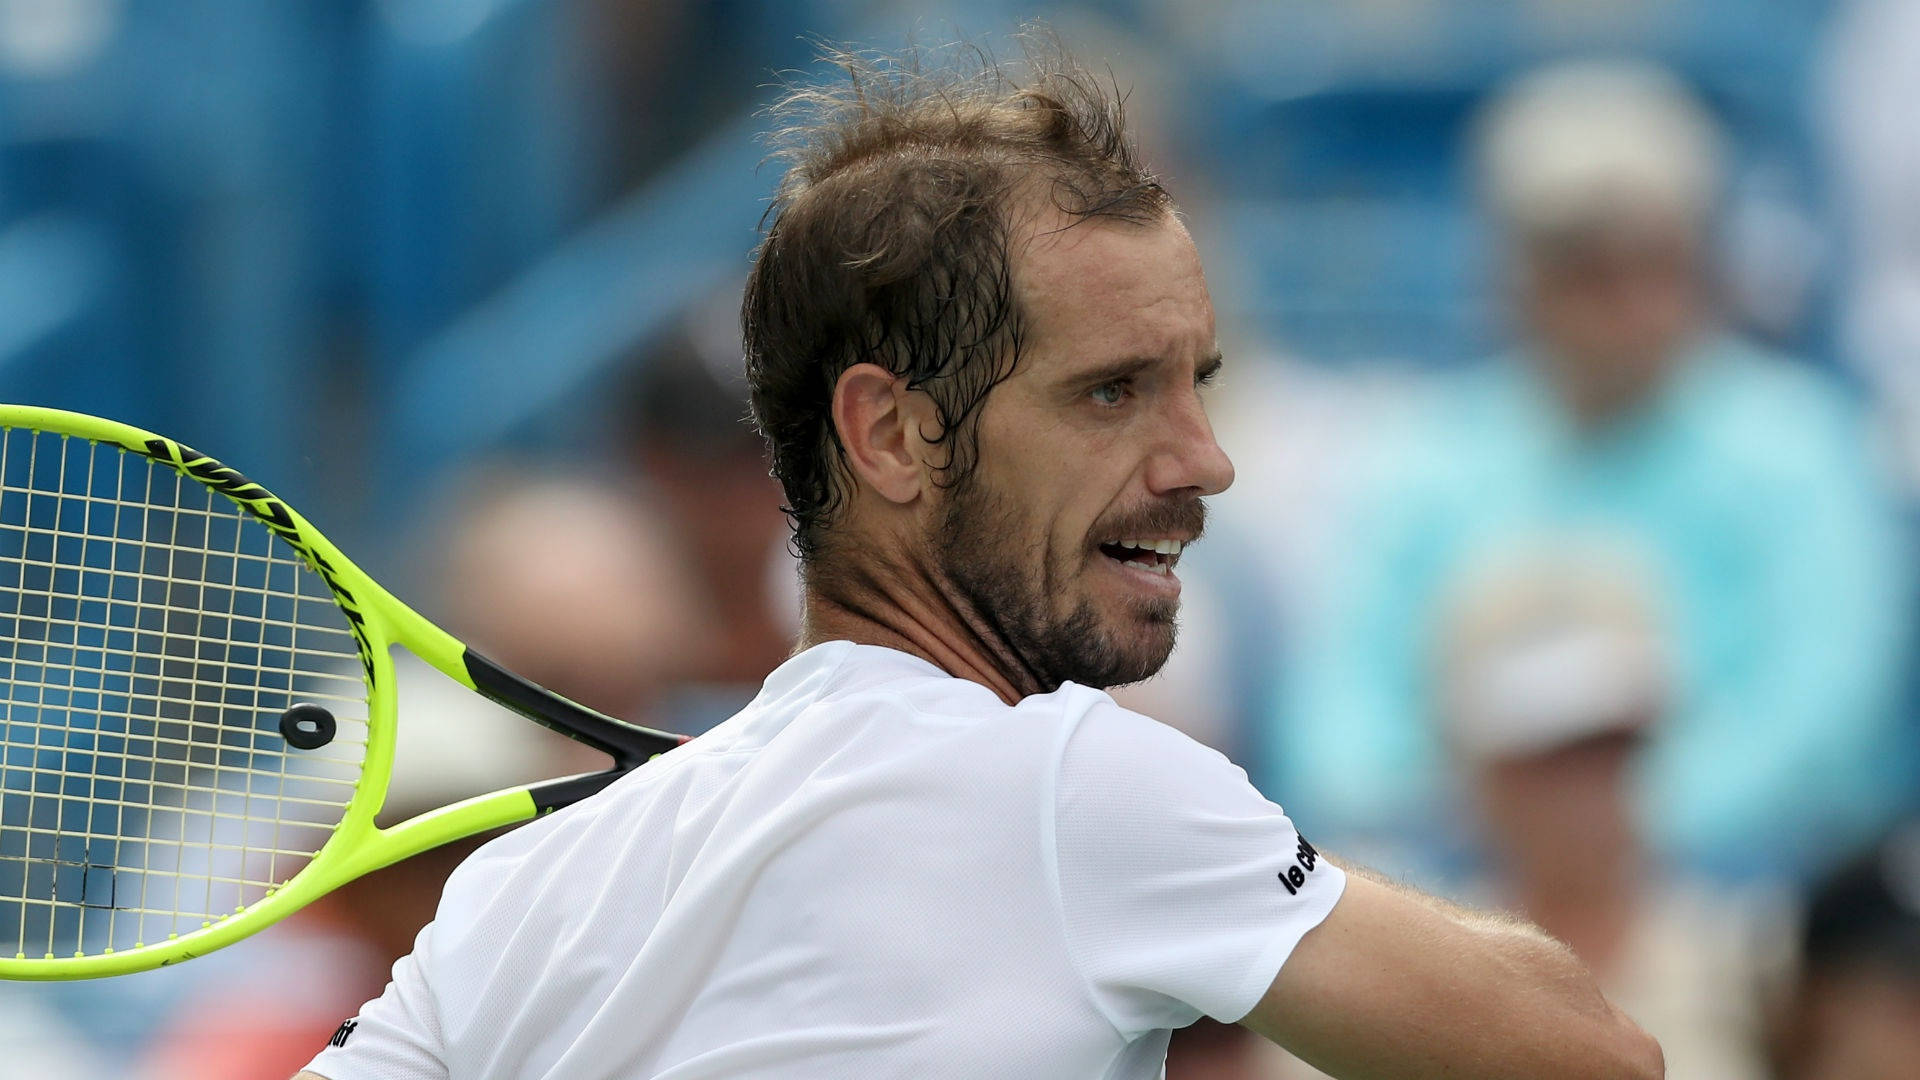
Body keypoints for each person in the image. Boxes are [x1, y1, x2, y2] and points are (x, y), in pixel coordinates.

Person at [295, 36, 1660, 1080]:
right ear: (891, 434)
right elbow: (1592, 1056)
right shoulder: (1080, 783)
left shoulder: (517, 900)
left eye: (1200, 381)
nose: (1205, 457)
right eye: (1114, 392)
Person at [1276, 60, 1912, 883]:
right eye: (1584, 269)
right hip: (1463, 890)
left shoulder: (1798, 447)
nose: (1626, 306)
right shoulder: (1424, 457)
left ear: (1701, 264)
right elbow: (1342, 728)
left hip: (1736, 899)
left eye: (1654, 263)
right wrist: (1491, 834)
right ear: (1517, 276)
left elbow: (1823, 723)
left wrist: (1589, 831)